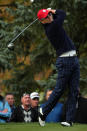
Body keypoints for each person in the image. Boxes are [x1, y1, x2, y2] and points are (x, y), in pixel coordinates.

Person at [37, 8, 80, 127]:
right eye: (46, 17)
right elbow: (63, 13)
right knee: (59, 89)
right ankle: (43, 110)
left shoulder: (51, 23)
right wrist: (53, 10)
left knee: (74, 91)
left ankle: (69, 120)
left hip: (73, 59)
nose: (49, 17)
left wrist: (50, 12)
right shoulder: (52, 27)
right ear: (42, 21)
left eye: (49, 15)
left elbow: (58, 16)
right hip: (65, 60)